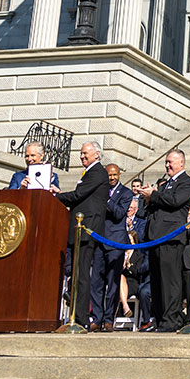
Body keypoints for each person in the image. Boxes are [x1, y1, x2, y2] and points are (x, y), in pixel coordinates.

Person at [55, 141, 110, 329]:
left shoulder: (97, 172)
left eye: (85, 153)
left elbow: (79, 195)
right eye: (81, 153)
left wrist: (55, 196)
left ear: (96, 154)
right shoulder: (89, 173)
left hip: (87, 228)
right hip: (80, 229)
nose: (82, 156)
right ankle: (76, 316)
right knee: (77, 274)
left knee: (82, 275)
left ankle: (81, 319)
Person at [140, 148, 190, 332]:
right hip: (156, 237)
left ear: (181, 163)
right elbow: (154, 206)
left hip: (171, 236)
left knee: (170, 281)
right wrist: (148, 198)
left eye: (170, 162)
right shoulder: (165, 184)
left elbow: (174, 201)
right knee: (156, 281)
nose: (167, 165)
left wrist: (153, 195)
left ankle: (171, 320)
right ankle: (158, 318)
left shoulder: (187, 182)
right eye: (166, 162)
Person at [92, 162, 135, 332]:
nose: (111, 177)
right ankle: (96, 318)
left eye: (114, 174)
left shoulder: (126, 192)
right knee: (96, 282)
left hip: (115, 242)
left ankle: (109, 319)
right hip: (98, 240)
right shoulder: (98, 190)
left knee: (113, 283)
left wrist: (106, 199)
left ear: (119, 175)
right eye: (108, 175)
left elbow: (118, 214)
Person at [120, 196, 153, 330]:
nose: (129, 210)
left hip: (133, 280)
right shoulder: (120, 222)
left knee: (120, 280)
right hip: (120, 279)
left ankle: (115, 314)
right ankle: (123, 307)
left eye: (132, 208)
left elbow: (139, 268)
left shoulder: (139, 252)